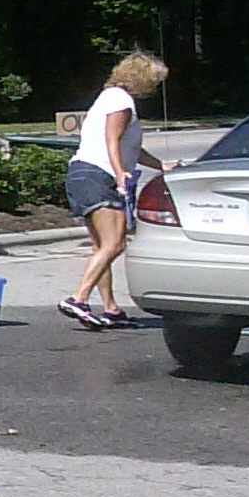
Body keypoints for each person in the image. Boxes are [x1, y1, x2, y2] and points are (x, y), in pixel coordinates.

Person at [59, 50, 170, 331]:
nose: (154, 87)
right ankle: (78, 298)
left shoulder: (109, 97)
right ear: (141, 78)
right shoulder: (120, 99)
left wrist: (161, 165)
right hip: (99, 175)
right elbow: (112, 139)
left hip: (82, 174)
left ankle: (111, 309)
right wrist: (120, 172)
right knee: (115, 243)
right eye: (154, 81)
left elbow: (128, 146)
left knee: (102, 247)